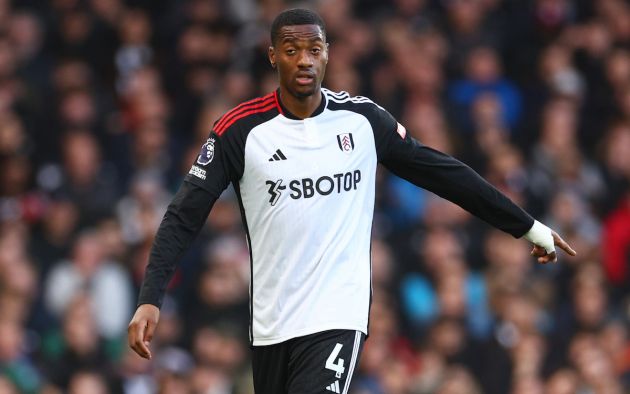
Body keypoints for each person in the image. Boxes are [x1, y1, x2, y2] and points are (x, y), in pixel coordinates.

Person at [128, 8, 576, 394]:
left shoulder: (361, 121)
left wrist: (527, 226)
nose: (304, 60)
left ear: (327, 54)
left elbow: (444, 174)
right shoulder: (239, 131)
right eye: (291, 49)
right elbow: (184, 214)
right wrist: (151, 297)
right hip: (271, 323)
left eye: (314, 49)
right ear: (272, 56)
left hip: (336, 315)